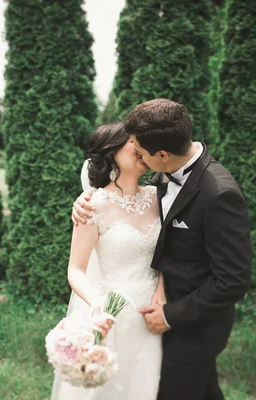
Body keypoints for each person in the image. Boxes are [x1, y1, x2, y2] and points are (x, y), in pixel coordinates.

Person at [72, 98, 252, 400]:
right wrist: (84, 199)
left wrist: (170, 315)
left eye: (141, 152)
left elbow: (233, 280)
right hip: (142, 317)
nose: (138, 156)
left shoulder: (219, 195)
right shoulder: (161, 180)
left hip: (191, 326)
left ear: (163, 155)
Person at [51, 122, 165, 400]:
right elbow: (76, 269)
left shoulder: (160, 196)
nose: (140, 148)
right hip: (113, 318)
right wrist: (97, 306)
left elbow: (170, 253)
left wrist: (162, 289)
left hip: (154, 316)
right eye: (132, 142)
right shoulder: (93, 205)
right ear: (112, 152)